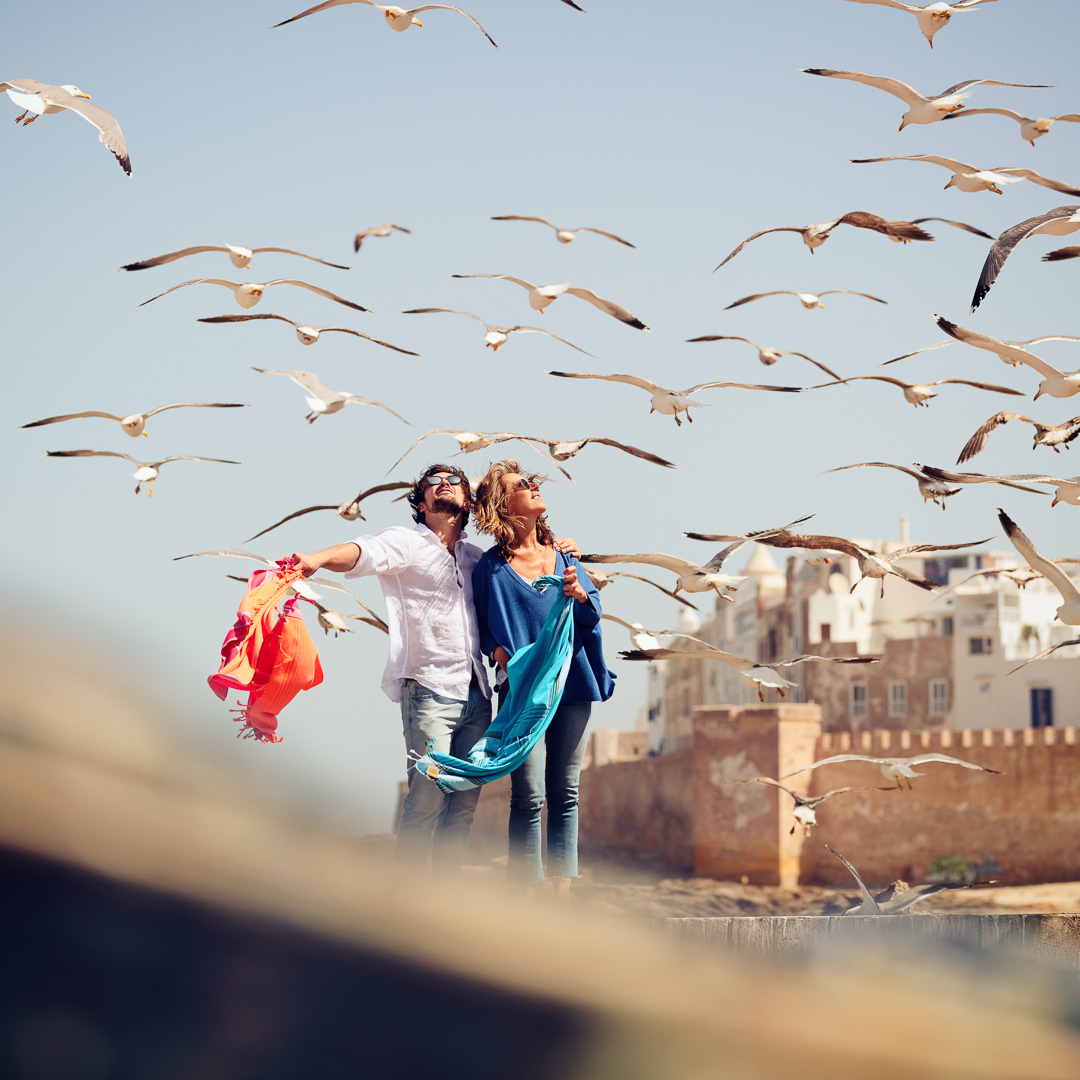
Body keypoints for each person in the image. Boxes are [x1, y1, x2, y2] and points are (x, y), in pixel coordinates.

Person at [287, 464, 491, 872]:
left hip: (478, 693)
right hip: (430, 690)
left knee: (463, 805)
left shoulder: (476, 559)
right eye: (433, 481)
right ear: (422, 503)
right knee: (426, 799)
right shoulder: (406, 543)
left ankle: (446, 893)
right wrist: (319, 559)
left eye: (454, 480)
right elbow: (363, 552)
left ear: (468, 502)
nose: (444, 484)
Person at [471, 460, 615, 897]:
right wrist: (498, 651)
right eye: (522, 484)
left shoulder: (565, 556)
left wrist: (580, 593)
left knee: (565, 794)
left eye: (533, 481)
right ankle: (526, 899)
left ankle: (561, 899)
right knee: (528, 795)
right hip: (523, 692)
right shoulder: (490, 568)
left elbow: (592, 615)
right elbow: (482, 626)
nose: (534, 486)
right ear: (504, 504)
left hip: (573, 684)